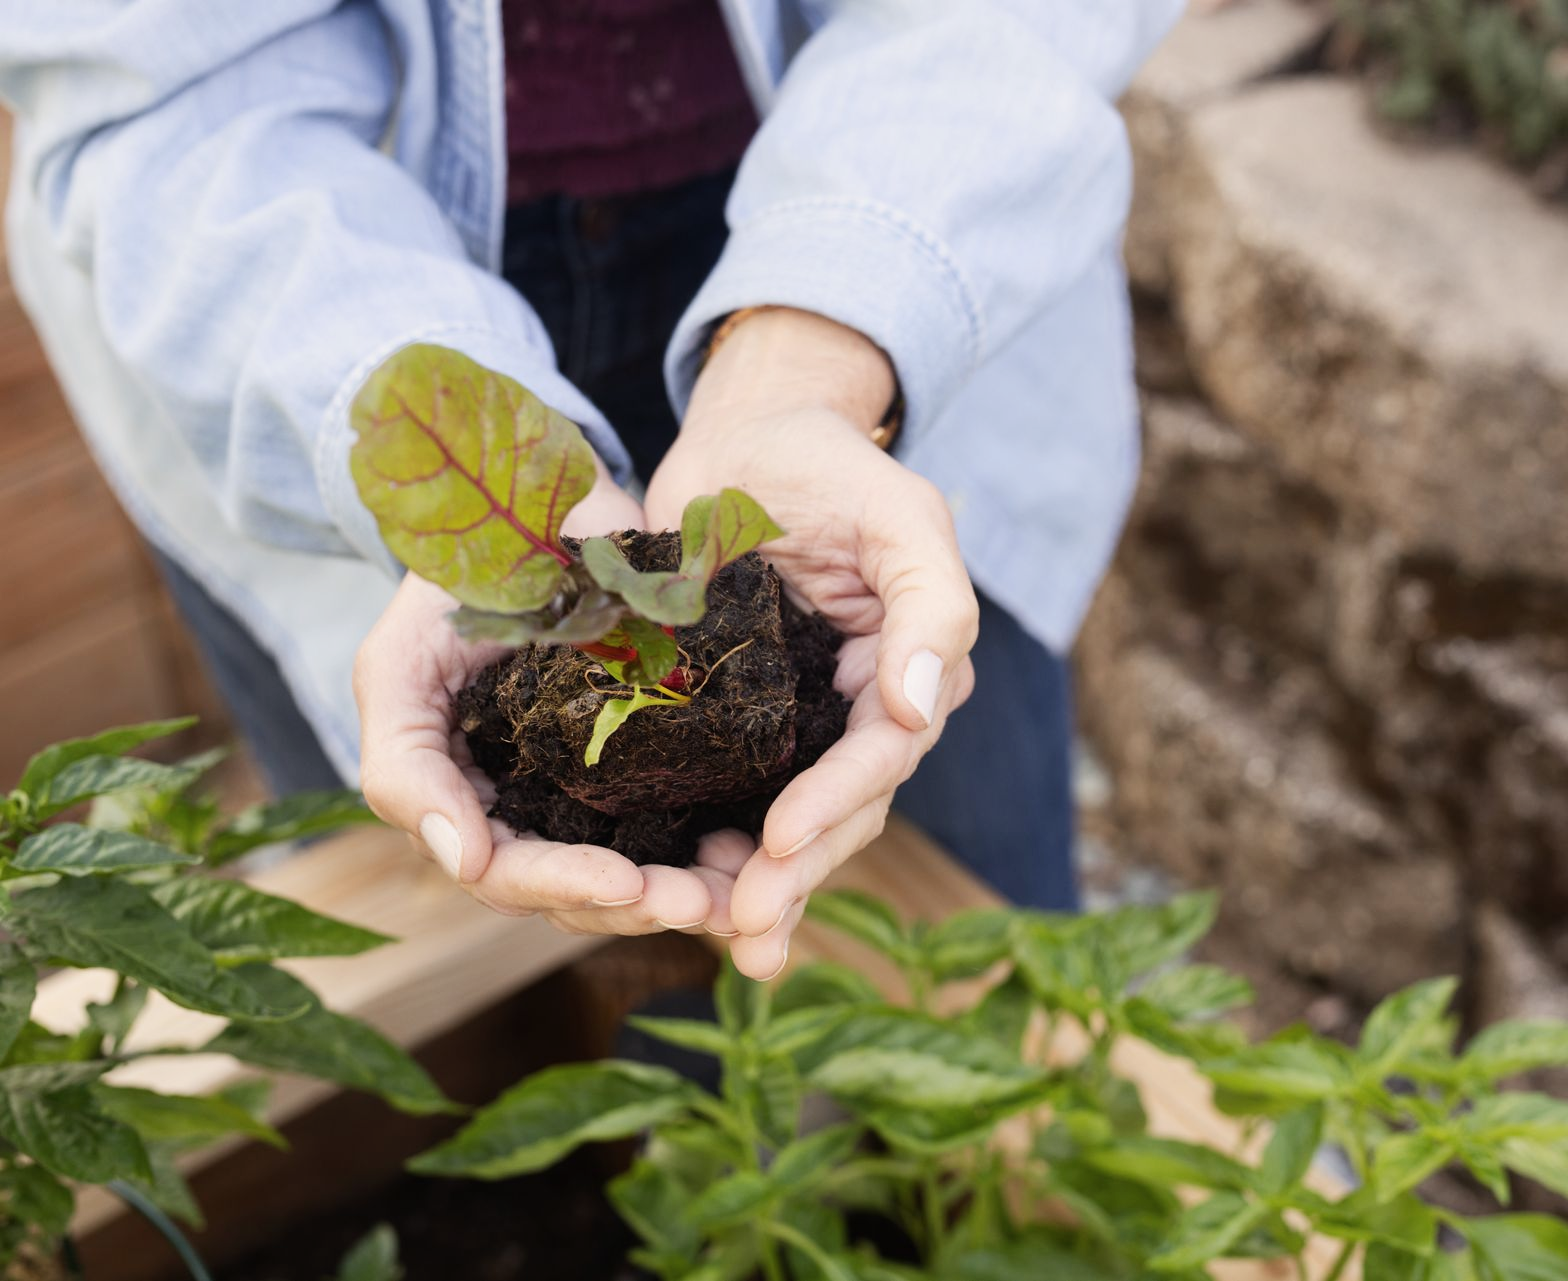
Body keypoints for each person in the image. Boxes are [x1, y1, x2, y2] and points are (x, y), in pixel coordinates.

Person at [1, 0, 1176, 978]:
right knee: (492, 956)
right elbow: (169, 96)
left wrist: (810, 365)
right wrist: (484, 512)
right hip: (308, 275)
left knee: (983, 942)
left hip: (886, 197)